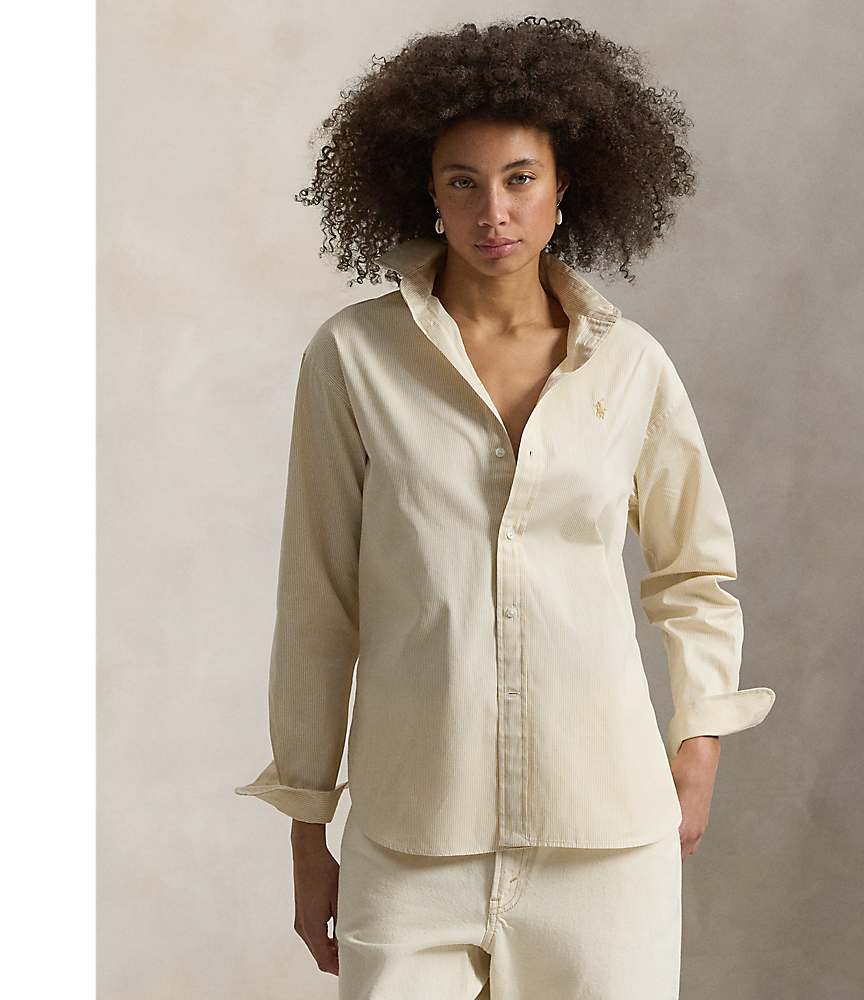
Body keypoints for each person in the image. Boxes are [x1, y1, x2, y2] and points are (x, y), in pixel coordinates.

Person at [237, 17, 774, 999]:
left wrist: (696, 751)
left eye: (521, 178)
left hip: (606, 836)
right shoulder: (353, 358)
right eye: (463, 181)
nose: (494, 210)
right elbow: (319, 605)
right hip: (412, 835)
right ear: (427, 191)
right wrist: (308, 830)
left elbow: (694, 572)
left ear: (565, 186)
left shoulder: (631, 366)